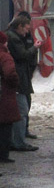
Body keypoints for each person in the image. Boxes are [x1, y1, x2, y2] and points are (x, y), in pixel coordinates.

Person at [8, 12, 39, 151]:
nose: (28, 31)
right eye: (26, 28)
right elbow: (23, 55)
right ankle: (18, 142)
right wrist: (35, 48)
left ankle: (15, 140)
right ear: (20, 26)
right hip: (18, 80)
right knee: (22, 110)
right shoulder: (14, 39)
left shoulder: (14, 37)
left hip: (20, 79)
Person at [0, 32, 20, 166]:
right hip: (5, 95)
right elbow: (10, 73)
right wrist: (15, 84)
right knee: (5, 127)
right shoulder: (4, 56)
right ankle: (3, 155)